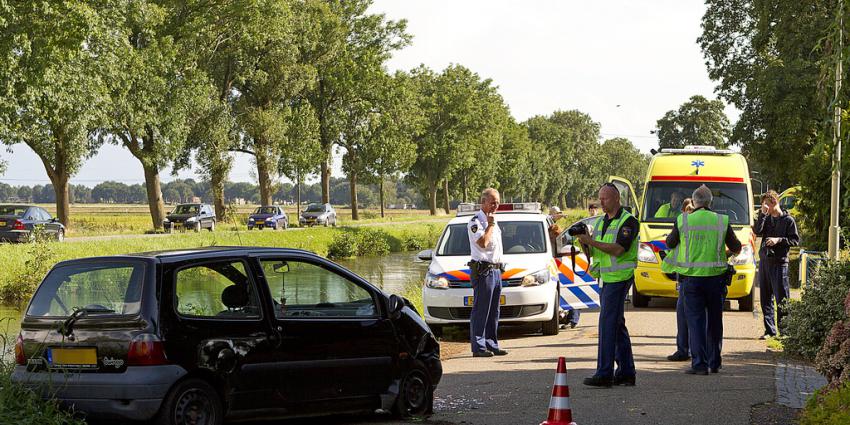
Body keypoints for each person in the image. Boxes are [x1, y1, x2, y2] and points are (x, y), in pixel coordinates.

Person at [663, 185, 742, 375]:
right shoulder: (722, 220)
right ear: (710, 202)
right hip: (716, 280)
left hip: (691, 280)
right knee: (715, 321)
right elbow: (736, 246)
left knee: (696, 322)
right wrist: (726, 253)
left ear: (694, 201)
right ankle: (714, 362)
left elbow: (670, 243)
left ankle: (699, 365)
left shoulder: (683, 220)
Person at [577, 183, 639, 387]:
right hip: (607, 280)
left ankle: (604, 373)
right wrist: (584, 242)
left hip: (619, 279)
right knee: (616, 325)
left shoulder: (628, 221)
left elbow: (618, 250)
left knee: (607, 325)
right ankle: (627, 372)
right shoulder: (603, 221)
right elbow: (596, 253)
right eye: (600, 198)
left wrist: (591, 241)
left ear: (616, 199)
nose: (601, 202)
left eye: (605, 198)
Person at [467, 188, 508, 357]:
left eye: (498, 202)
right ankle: (479, 346)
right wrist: (490, 225)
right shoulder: (475, 222)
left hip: (496, 271)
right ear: (483, 202)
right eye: (492, 202)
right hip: (483, 270)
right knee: (481, 310)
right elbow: (483, 243)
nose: (496, 205)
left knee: (494, 311)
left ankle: (492, 343)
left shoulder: (494, 221)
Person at [755, 190, 800, 339]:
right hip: (765, 262)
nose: (765, 207)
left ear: (774, 202)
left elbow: (794, 240)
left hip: (780, 263)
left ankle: (785, 331)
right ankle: (770, 330)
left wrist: (778, 240)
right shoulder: (766, 219)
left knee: (782, 298)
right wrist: (762, 215)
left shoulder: (788, 221)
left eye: (766, 204)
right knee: (765, 298)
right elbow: (757, 231)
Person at [667, 197, 695, 362]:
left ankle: (684, 350)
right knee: (700, 316)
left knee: (684, 314)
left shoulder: (681, 222)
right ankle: (700, 352)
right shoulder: (710, 222)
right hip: (705, 275)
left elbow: (670, 243)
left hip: (686, 275)